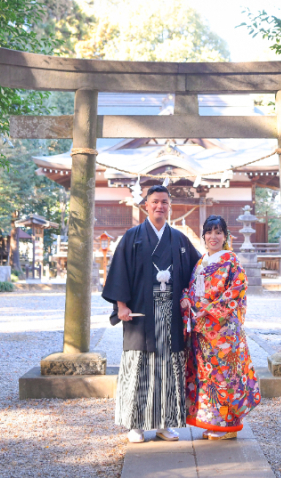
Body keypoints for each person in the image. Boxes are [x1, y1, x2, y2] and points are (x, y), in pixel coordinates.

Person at [102, 185, 202, 443]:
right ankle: (135, 424)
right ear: (146, 205)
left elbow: (197, 270)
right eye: (155, 202)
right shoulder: (132, 237)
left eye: (164, 202)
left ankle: (165, 424)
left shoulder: (179, 239)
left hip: (171, 317)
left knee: (169, 370)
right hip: (140, 315)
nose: (160, 206)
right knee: (139, 369)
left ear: (170, 206)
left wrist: (192, 298)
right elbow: (120, 272)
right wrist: (121, 305)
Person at [181, 215, 261, 440]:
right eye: (209, 232)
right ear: (204, 235)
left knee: (226, 377)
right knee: (208, 379)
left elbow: (237, 289)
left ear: (225, 236)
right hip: (203, 331)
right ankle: (214, 424)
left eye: (218, 232)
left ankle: (227, 424)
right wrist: (186, 299)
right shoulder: (201, 261)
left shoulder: (231, 260)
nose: (213, 237)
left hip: (223, 330)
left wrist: (210, 309)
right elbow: (190, 287)